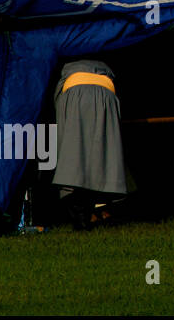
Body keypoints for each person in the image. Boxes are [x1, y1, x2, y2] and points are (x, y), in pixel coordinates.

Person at [52, 60, 129, 230]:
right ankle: (97, 210)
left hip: (76, 92)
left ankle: (83, 216)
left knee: (74, 156)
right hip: (105, 93)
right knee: (103, 153)